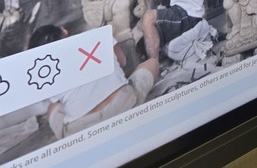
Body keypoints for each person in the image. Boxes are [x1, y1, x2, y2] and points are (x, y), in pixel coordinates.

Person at [28, 25, 159, 139]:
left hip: (83, 132)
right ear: (64, 31)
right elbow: (123, 62)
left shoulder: (47, 72)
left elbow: (56, 102)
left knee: (53, 107)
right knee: (151, 64)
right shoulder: (96, 35)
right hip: (123, 105)